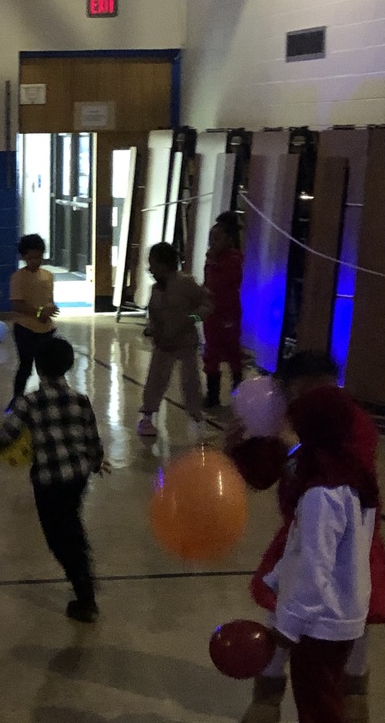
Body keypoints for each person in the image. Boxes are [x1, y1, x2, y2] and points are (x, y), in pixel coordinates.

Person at [229, 352, 385, 723]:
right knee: (316, 657)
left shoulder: (342, 434)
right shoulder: (303, 425)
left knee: (336, 664)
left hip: (341, 555)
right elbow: (265, 474)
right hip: (308, 546)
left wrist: (288, 627)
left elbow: (337, 472)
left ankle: (348, 702)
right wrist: (239, 447)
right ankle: (271, 698)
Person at [0, 337, 108, 623]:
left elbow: (5, 436)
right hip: (77, 476)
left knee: (56, 537)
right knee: (71, 521)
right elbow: (92, 438)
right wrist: (97, 462)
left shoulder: (29, 404)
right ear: (68, 366)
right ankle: (83, 571)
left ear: (38, 368)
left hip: (48, 479)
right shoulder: (80, 400)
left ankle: (84, 593)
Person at [136, 242, 212, 437]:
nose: (151, 269)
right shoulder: (156, 290)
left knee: (190, 380)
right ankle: (147, 417)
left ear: (165, 264)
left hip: (185, 342)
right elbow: (153, 315)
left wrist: (191, 320)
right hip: (163, 343)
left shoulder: (186, 283)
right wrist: (152, 329)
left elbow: (206, 305)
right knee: (155, 380)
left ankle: (196, 417)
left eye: (154, 264)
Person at [9, 234, 59, 404]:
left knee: (46, 368)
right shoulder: (18, 277)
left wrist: (51, 308)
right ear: (23, 257)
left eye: (38, 257)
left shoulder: (48, 276)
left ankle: (46, 400)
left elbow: (48, 300)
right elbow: (17, 304)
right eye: (30, 258)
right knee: (25, 366)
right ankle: (17, 400)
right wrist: (39, 313)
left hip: (46, 329)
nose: (35, 261)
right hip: (25, 329)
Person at [202, 216, 244, 407]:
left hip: (228, 314)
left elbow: (223, 283)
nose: (213, 242)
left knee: (232, 351)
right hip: (212, 313)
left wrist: (213, 264)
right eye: (211, 238)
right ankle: (212, 395)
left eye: (217, 238)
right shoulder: (211, 260)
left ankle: (239, 390)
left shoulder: (234, 260)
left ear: (228, 239)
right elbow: (208, 283)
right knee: (211, 352)